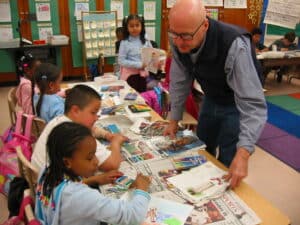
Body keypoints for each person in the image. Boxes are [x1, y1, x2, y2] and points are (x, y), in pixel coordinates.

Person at [164, 0, 267, 188]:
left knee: (229, 156)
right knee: (202, 144)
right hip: (211, 96)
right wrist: (173, 119)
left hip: (237, 101)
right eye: (174, 34)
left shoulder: (234, 45)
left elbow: (252, 105)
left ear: (204, 25)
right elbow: (179, 79)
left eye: (185, 36)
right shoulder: (179, 33)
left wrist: (243, 155)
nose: (178, 42)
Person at [35, 122, 151, 225]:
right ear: (67, 162)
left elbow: (67, 192)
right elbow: (132, 216)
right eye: (90, 158)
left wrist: (94, 179)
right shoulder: (80, 197)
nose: (96, 161)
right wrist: (142, 189)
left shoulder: (48, 170)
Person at [31, 85, 128, 175]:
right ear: (75, 110)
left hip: (41, 178)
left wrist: (106, 135)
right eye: (93, 113)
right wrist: (116, 142)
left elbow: (92, 129)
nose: (96, 118)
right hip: (53, 188)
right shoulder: (76, 135)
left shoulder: (61, 119)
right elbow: (112, 164)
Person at [118, 14, 152, 93]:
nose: (135, 28)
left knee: (143, 96)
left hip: (143, 74)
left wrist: (156, 60)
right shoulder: (125, 42)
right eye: (131, 26)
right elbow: (121, 61)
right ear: (127, 27)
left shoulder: (145, 38)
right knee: (131, 98)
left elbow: (151, 52)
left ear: (141, 26)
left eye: (137, 25)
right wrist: (139, 65)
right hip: (130, 76)